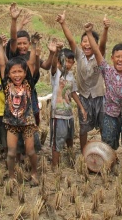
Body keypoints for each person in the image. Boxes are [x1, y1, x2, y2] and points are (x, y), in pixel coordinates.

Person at [83, 19, 122, 170]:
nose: (120, 59)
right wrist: (89, 33)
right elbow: (96, 51)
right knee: (109, 142)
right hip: (109, 114)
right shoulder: (107, 71)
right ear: (113, 58)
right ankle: (110, 164)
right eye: (118, 56)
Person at [6, 3, 56, 158]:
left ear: (29, 44)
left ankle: (31, 148)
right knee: (15, 122)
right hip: (16, 95)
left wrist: (52, 53)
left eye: (24, 43)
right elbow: (13, 39)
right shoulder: (14, 57)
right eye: (19, 43)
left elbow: (47, 66)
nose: (21, 46)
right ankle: (18, 151)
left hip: (31, 94)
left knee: (33, 119)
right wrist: (15, 21)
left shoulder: (31, 56)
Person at [55, 11, 109, 153]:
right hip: (84, 96)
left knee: (104, 126)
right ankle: (85, 152)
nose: (87, 44)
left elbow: (102, 46)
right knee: (83, 127)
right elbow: (71, 41)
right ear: (81, 44)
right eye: (84, 41)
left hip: (99, 96)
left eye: (90, 41)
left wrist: (105, 29)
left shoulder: (99, 56)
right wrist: (63, 23)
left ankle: (104, 151)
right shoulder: (79, 55)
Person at [0, 30, 41, 185]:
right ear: (9, 74)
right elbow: (3, 63)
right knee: (11, 152)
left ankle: (34, 173)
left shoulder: (28, 84)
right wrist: (0, 46)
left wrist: (35, 45)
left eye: (20, 72)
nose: (17, 75)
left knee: (30, 151)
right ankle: (11, 176)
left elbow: (30, 63)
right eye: (14, 72)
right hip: (11, 124)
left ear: (25, 73)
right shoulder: (7, 84)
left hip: (27, 123)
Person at [49, 41, 86, 170]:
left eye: (71, 62)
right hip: (57, 114)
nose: (68, 64)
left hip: (68, 113)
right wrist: (55, 52)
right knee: (57, 140)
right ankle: (55, 166)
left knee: (70, 137)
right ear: (59, 61)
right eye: (65, 61)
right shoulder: (55, 73)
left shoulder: (70, 76)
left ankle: (71, 160)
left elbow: (73, 92)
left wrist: (81, 107)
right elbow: (53, 65)